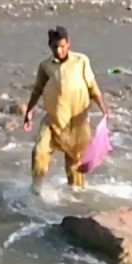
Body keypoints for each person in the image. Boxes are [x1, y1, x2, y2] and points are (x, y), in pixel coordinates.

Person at [21, 26, 109, 191]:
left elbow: (92, 86)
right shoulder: (45, 66)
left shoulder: (81, 61)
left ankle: (75, 203)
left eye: (62, 46)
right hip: (53, 120)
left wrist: (103, 107)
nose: (59, 50)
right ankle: (36, 191)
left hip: (77, 123)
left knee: (75, 169)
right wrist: (29, 112)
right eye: (55, 47)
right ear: (50, 46)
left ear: (68, 44)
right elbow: (37, 90)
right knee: (39, 152)